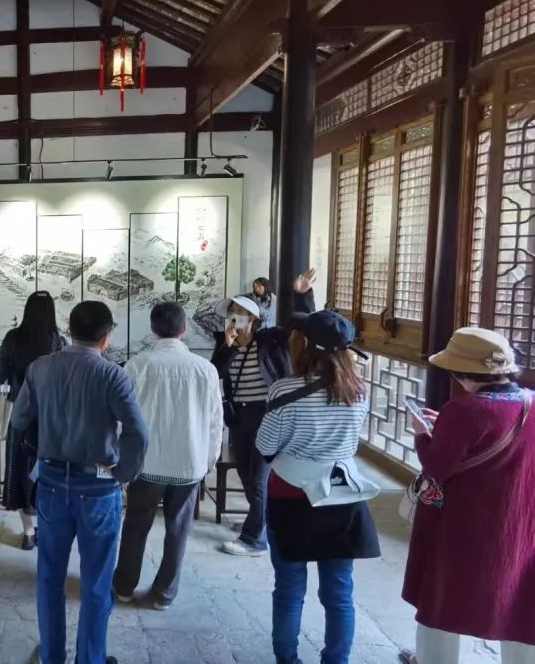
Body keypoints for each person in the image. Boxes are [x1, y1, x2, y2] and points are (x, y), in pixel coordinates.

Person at [11, 300, 149, 664]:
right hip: (99, 489)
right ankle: (90, 658)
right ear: (106, 337)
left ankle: (52, 656)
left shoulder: (40, 368)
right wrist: (122, 475)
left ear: (69, 330)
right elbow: (138, 433)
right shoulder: (113, 376)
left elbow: (19, 420)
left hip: (52, 485)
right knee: (96, 583)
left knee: (49, 577)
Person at [400, 328, 535, 664]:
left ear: (463, 372)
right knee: (520, 600)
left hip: (465, 521)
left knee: (442, 595)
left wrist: (422, 435)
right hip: (519, 519)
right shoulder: (531, 401)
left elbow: (437, 467)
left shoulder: (464, 410)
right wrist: (445, 428)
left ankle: (434, 659)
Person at [256, 311, 381, 664]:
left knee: (289, 590)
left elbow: (265, 446)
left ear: (303, 344)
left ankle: (287, 658)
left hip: (291, 495)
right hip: (341, 495)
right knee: (339, 593)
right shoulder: (359, 390)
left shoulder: (285, 389)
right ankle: (336, 660)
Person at [113, 302, 223, 611]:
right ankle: (165, 593)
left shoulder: (138, 365)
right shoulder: (205, 369)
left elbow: (123, 418)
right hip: (189, 464)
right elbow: (215, 421)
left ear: (153, 329)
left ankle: (124, 586)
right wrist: (209, 460)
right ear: (183, 329)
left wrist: (121, 459)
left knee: (135, 526)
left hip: (147, 464)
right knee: (178, 530)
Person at [211, 269, 316, 557]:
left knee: (258, 477)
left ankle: (254, 539)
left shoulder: (271, 339)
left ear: (254, 318)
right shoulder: (225, 343)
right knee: (246, 474)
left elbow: (303, 326)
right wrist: (228, 347)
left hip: (267, 415)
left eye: (240, 312)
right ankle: (258, 522)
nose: (234, 316)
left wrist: (302, 295)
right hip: (239, 417)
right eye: (231, 311)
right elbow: (214, 372)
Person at [0, 290, 66, 550]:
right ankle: (44, 527)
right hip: (49, 416)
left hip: (19, 413)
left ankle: (27, 532)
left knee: (18, 467)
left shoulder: (12, 338)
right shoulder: (58, 342)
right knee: (47, 468)